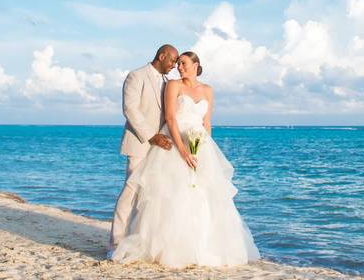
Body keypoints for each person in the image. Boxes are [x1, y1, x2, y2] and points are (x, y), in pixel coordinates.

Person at [111, 51, 260, 268]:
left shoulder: (208, 90)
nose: (179, 67)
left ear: (196, 65)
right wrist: (182, 150)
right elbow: (170, 118)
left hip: (199, 145)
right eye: (177, 62)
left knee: (202, 195)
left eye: (183, 63)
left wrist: (204, 150)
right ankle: (133, 243)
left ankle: (201, 247)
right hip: (174, 142)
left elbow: (207, 123)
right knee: (167, 194)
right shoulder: (173, 85)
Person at [108, 44, 179, 254]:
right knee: (130, 193)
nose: (174, 65)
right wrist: (152, 136)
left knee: (154, 196)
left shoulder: (168, 83)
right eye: (172, 60)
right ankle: (115, 244)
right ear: (161, 55)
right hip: (140, 144)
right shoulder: (136, 76)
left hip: (162, 148)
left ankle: (142, 244)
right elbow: (130, 109)